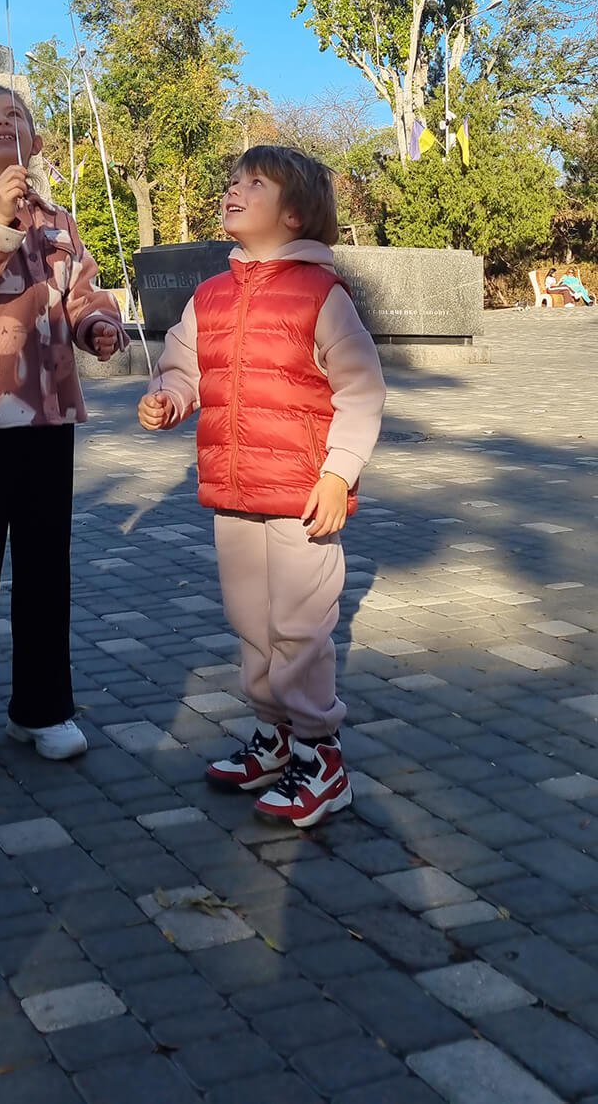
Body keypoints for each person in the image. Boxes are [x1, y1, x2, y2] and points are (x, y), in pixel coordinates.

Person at [138, 146, 385, 829]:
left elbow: (362, 390)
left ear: (295, 214)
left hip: (304, 496)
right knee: (252, 623)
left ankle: (321, 758)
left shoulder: (321, 295)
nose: (235, 191)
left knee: (299, 629)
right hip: (232, 491)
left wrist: (338, 474)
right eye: (233, 181)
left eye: (255, 183)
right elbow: (183, 365)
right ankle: (274, 737)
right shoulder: (210, 295)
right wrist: (169, 396)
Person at [0, 86, 127, 762]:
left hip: (50, 411)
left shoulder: (59, 220)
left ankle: (42, 709)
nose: (2, 122)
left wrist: (98, 326)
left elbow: (82, 291)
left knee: (45, 562)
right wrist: (3, 223)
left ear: (35, 143)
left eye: (15, 115)